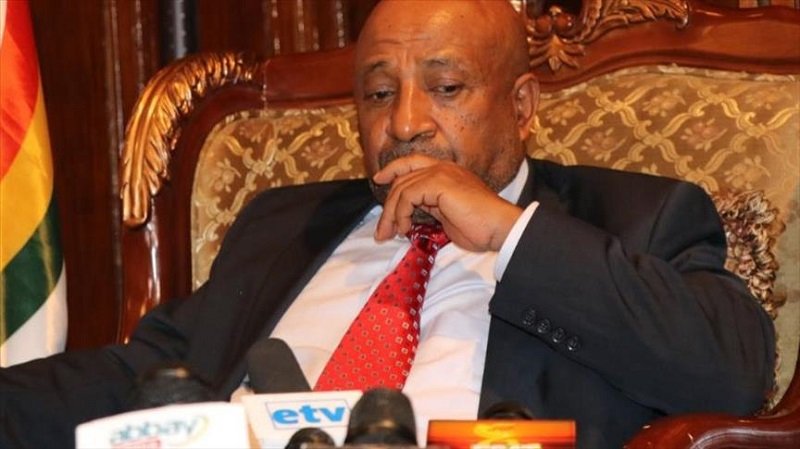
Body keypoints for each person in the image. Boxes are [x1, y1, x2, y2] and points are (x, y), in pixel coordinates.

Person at [0, 1, 775, 448]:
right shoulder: (284, 226)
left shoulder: (636, 219)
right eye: (378, 94)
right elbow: (140, 373)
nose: (405, 123)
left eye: (446, 87)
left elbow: (730, 369)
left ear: (522, 107)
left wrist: (506, 231)